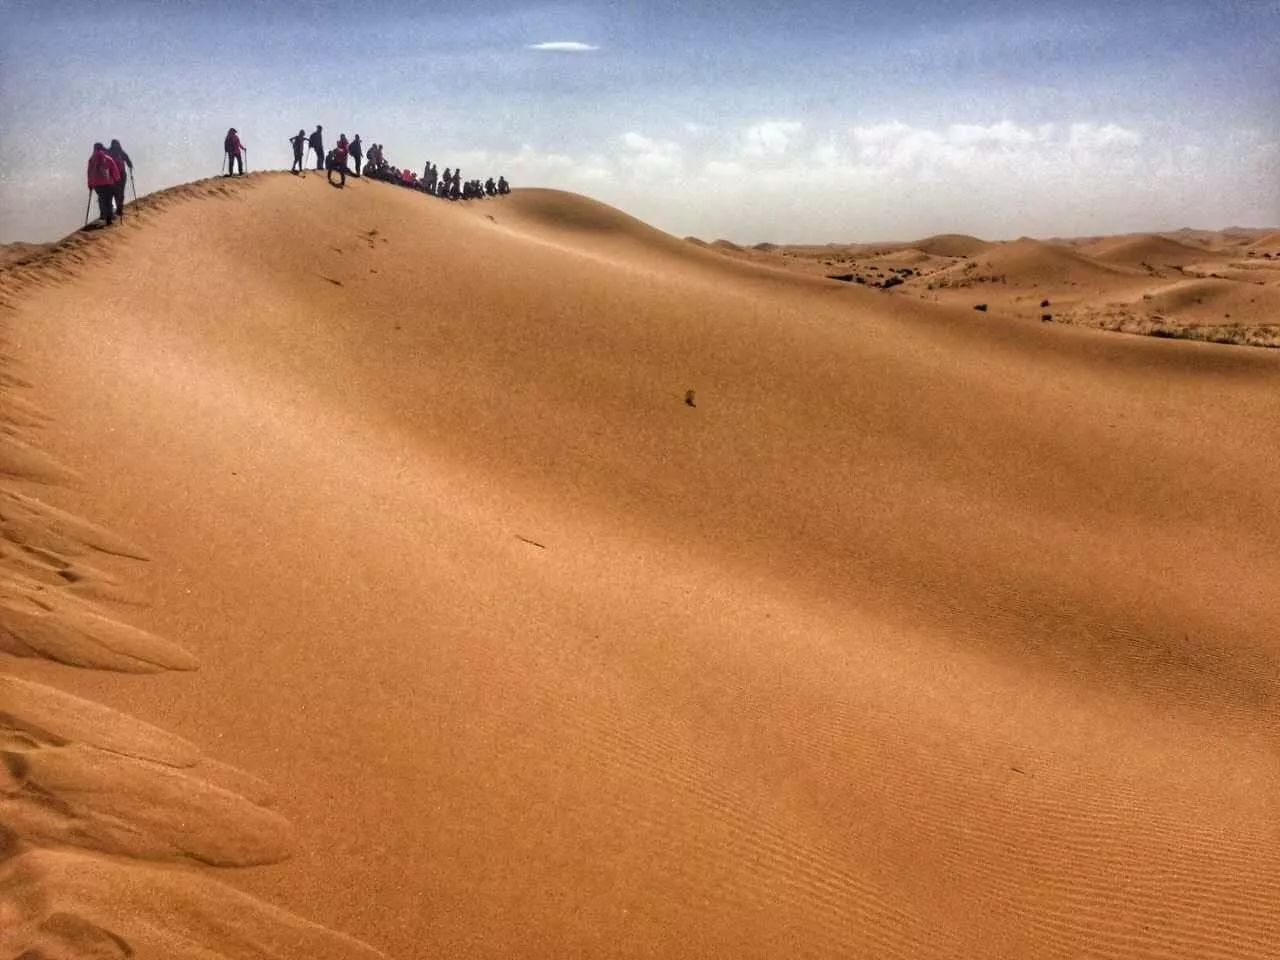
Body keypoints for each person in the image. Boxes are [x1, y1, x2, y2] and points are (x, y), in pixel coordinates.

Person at [86, 142, 122, 226]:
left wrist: (90, 185)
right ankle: (109, 219)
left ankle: (103, 216)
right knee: (108, 201)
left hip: (97, 185)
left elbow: (89, 173)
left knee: (102, 200)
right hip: (108, 184)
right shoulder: (108, 158)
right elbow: (114, 171)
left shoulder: (91, 160)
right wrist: (117, 180)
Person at [107, 139, 133, 218]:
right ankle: (118, 210)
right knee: (118, 193)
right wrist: (130, 168)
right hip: (118, 175)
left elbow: (129, 162)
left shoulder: (110, 152)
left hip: (115, 175)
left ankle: (118, 210)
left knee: (117, 192)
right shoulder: (120, 152)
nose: (116, 146)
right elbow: (129, 163)